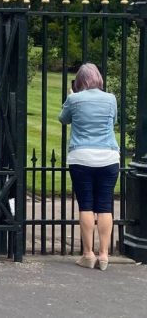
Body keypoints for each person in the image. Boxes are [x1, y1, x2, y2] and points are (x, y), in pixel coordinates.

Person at [59, 62, 120, 271]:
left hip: (81, 156)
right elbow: (113, 121)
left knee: (86, 204)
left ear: (79, 82)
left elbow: (63, 119)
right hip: (108, 156)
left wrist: (71, 97)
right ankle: (104, 255)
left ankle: (88, 253)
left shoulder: (74, 99)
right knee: (105, 205)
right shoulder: (110, 98)